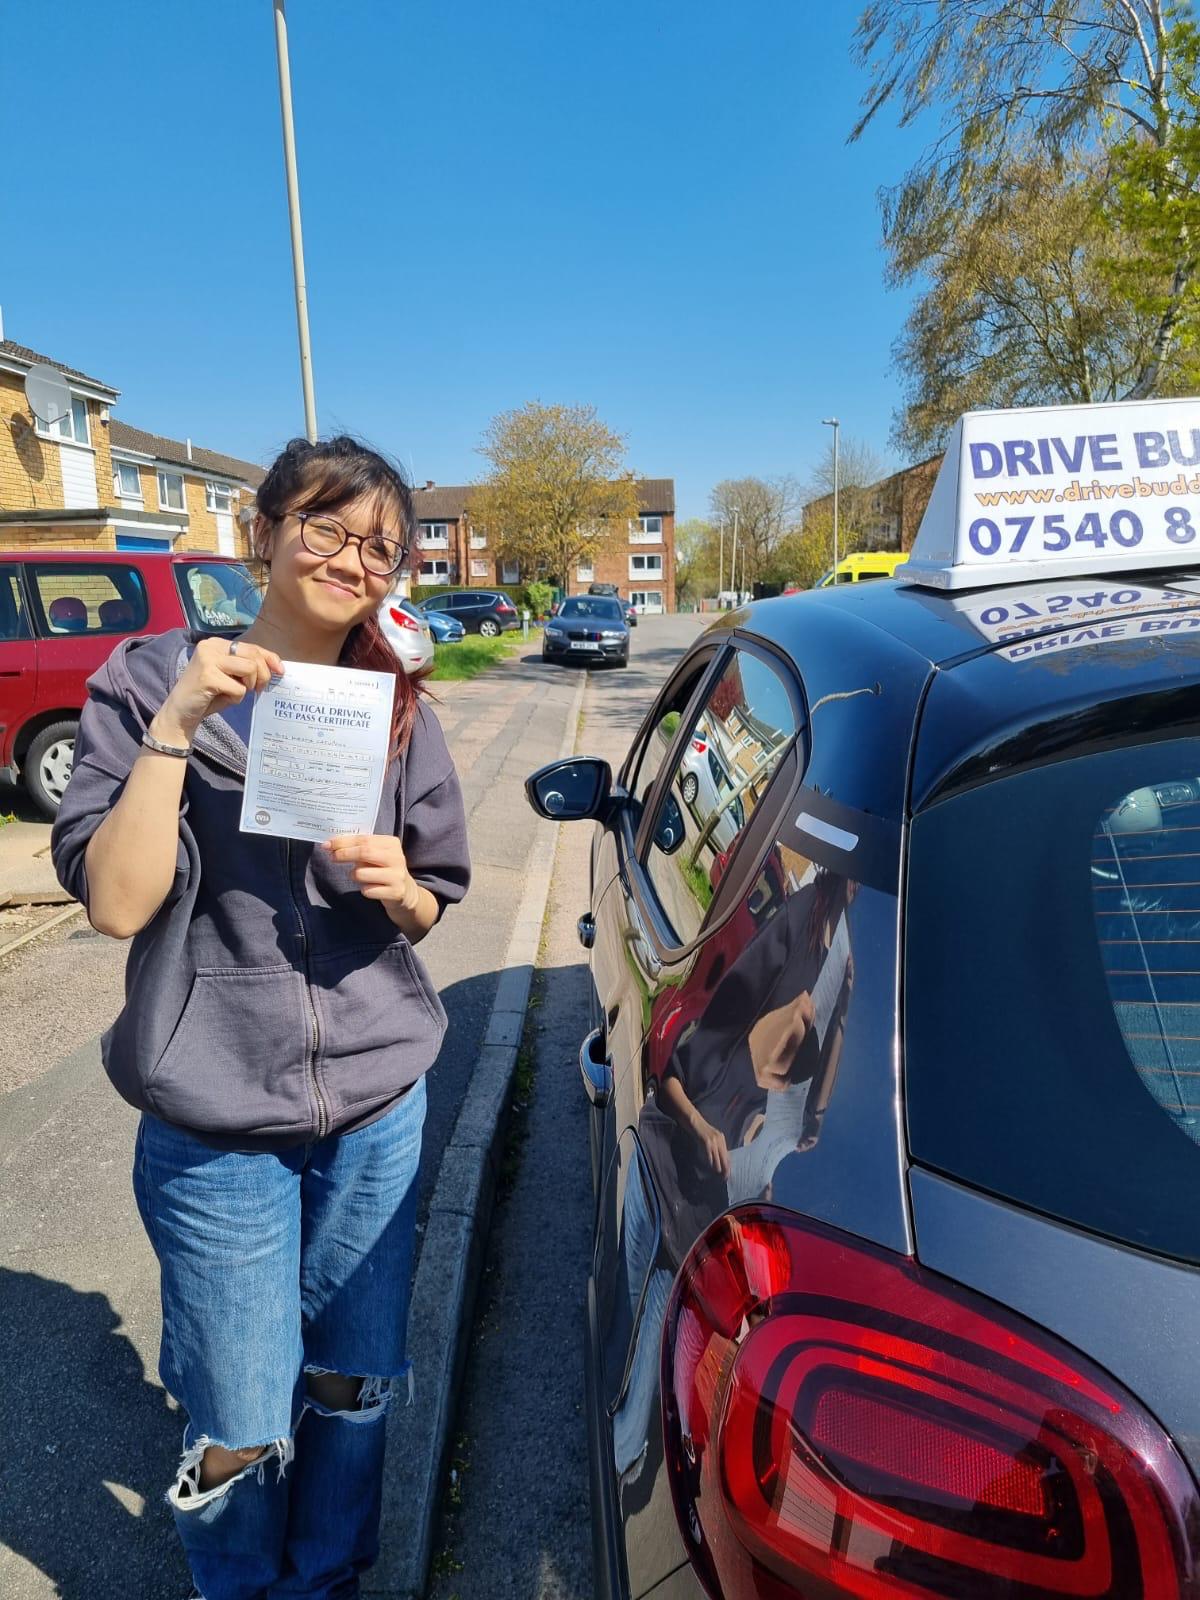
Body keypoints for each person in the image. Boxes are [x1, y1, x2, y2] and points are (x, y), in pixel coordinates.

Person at [51, 436, 471, 1600]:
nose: (352, 558)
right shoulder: (147, 680)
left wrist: (403, 887)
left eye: (379, 545)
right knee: (240, 1414)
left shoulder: (393, 707)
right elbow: (118, 901)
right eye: (326, 528)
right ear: (266, 531)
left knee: (352, 1378)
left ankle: (326, 1580)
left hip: (377, 1100)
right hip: (218, 1115)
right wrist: (178, 723)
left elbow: (438, 900)